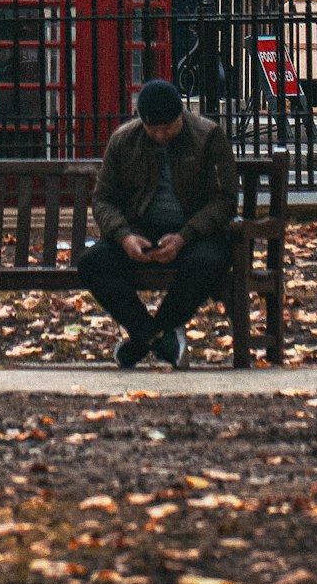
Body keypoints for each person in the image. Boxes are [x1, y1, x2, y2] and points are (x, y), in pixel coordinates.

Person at [78, 78, 238, 370]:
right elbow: (103, 198)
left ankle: (143, 340)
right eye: (153, 129)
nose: (161, 135)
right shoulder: (123, 141)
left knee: (207, 262)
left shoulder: (208, 136)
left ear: (181, 116)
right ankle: (158, 337)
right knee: (92, 263)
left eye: (168, 127)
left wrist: (184, 236)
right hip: (140, 231)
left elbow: (224, 199)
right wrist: (124, 236)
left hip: (194, 234)